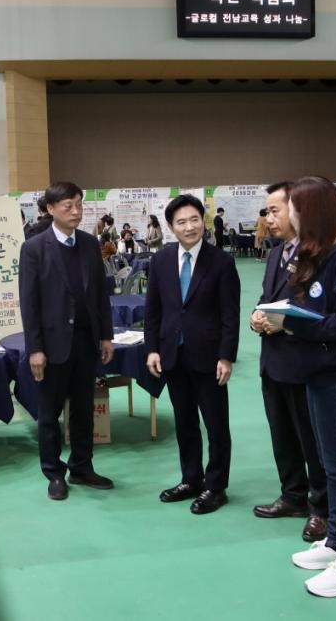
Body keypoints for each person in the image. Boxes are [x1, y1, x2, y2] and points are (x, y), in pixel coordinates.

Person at [262, 176, 336, 598]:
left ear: (310, 210)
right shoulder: (326, 250)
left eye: (292, 208)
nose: (286, 216)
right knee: (330, 466)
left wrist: (294, 325)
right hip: (318, 369)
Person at [144, 194, 240, 514]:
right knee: (184, 421)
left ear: (203, 221)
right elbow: (153, 310)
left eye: (194, 219)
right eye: (181, 222)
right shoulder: (161, 261)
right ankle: (191, 479)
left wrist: (226, 356)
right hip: (173, 354)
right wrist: (152, 349)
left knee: (216, 425)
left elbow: (230, 314)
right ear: (171, 227)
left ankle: (216, 486)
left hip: (209, 357)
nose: (189, 227)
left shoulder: (221, 262)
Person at [19, 181, 115, 501]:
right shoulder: (34, 248)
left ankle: (82, 467)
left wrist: (106, 335)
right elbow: (29, 303)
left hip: (86, 342)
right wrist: (35, 348)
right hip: (52, 345)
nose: (76, 212)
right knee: (49, 413)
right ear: (50, 209)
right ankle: (54, 473)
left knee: (84, 410)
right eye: (68, 206)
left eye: (79, 205)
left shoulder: (88, 243)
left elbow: (100, 294)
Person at [250, 182, 328, 542]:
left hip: (303, 362)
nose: (269, 218)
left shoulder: (319, 254)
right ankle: (293, 495)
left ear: (298, 210)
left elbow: (319, 309)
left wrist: (285, 323)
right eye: (267, 211)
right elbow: (268, 297)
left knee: (311, 439)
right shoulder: (276, 253)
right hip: (273, 361)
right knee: (281, 434)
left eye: (275, 210)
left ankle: (321, 508)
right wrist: (257, 316)